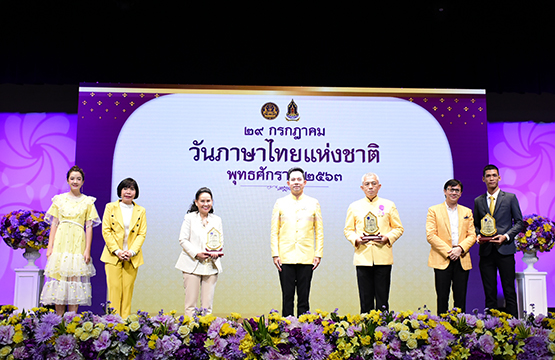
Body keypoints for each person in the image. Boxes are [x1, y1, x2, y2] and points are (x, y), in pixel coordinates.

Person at [40, 165, 101, 315]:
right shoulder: (59, 200)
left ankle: (71, 321)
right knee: (59, 280)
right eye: (72, 178)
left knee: (74, 282)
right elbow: (54, 224)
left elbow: (89, 227)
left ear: (83, 182)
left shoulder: (87, 201)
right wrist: (50, 247)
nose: (75, 181)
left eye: (78, 179)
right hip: (61, 242)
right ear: (68, 180)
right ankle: (58, 321)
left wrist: (87, 250)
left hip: (77, 243)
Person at [344, 172, 404, 313]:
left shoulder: (389, 205)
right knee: (365, 300)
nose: (370, 187)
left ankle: (383, 332)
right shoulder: (354, 206)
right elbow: (348, 230)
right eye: (367, 184)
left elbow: (398, 228)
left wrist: (387, 238)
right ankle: (366, 331)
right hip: (363, 257)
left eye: (373, 183)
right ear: (362, 187)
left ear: (379, 186)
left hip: (383, 256)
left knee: (382, 300)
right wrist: (356, 239)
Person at [271, 167, 324, 317]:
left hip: (306, 257)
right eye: (293, 180)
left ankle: (304, 335)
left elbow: (319, 231)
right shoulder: (280, 203)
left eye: (299, 179)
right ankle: (286, 333)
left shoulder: (314, 203)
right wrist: (275, 254)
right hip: (285, 257)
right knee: (287, 298)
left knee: (304, 299)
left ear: (304, 182)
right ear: (288, 183)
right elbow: (274, 231)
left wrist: (318, 254)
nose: (296, 182)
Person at [474, 164, 525, 317]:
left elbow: (519, 222)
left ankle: (514, 325)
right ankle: (491, 327)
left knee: (509, 289)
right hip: (486, 251)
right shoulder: (478, 201)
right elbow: (476, 224)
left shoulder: (510, 198)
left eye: (494, 175)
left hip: (505, 250)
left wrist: (506, 236)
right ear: (483, 179)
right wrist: (478, 236)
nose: (491, 178)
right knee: (489, 292)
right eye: (488, 176)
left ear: (499, 178)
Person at [426, 179, 476, 315]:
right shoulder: (434, 210)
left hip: (462, 257)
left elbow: (472, 235)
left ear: (461, 193)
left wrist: (459, 248)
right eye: (451, 189)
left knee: (460, 298)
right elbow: (430, 235)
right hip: (442, 257)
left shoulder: (467, 211)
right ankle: (442, 330)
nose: (453, 193)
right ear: (445, 191)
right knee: (442, 298)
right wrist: (449, 251)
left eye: (457, 190)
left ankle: (460, 329)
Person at [101, 178, 147, 318]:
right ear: (120, 191)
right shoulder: (111, 207)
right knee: (114, 290)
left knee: (127, 291)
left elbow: (141, 234)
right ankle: (113, 324)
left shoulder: (140, 210)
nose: (128, 192)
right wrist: (118, 251)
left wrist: (131, 252)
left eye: (132, 189)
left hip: (132, 257)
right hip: (113, 255)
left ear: (136, 192)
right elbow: (106, 230)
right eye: (125, 188)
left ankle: (125, 325)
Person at [175, 187, 223, 316]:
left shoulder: (217, 220)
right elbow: (183, 239)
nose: (205, 204)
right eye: (202, 201)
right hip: (191, 264)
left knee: (207, 307)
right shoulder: (189, 218)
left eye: (208, 201)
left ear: (212, 202)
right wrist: (196, 254)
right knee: (190, 305)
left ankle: (206, 334)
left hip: (210, 265)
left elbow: (219, 240)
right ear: (196, 202)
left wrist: (216, 252)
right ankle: (190, 334)